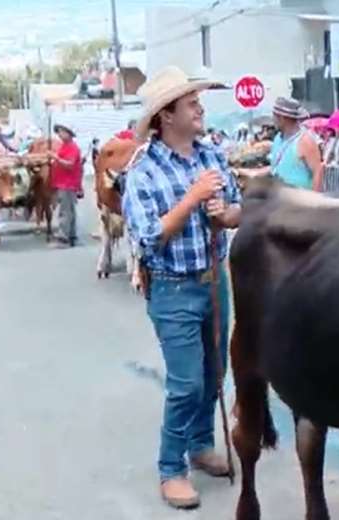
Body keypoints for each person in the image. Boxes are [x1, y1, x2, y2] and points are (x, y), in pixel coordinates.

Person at [121, 66, 241, 510]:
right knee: (187, 383)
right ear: (166, 116)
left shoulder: (212, 156)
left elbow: (238, 210)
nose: (200, 109)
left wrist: (224, 215)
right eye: (192, 104)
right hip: (173, 289)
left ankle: (200, 444)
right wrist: (192, 198)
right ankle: (171, 468)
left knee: (214, 374)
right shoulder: (143, 171)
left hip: (214, 280)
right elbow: (148, 237)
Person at [239, 97, 324, 191]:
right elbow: (275, 168)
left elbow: (318, 171)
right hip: (280, 196)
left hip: (300, 197)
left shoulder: (305, 141)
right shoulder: (278, 139)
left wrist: (313, 198)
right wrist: (252, 173)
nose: (273, 120)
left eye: (275, 116)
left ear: (282, 118)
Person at [47, 124, 83, 248]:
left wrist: (55, 158)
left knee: (65, 211)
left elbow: (70, 165)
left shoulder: (72, 148)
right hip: (64, 182)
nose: (59, 134)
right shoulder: (64, 146)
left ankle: (63, 238)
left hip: (67, 183)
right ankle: (72, 236)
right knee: (70, 211)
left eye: (61, 132)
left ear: (69, 133)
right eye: (58, 132)